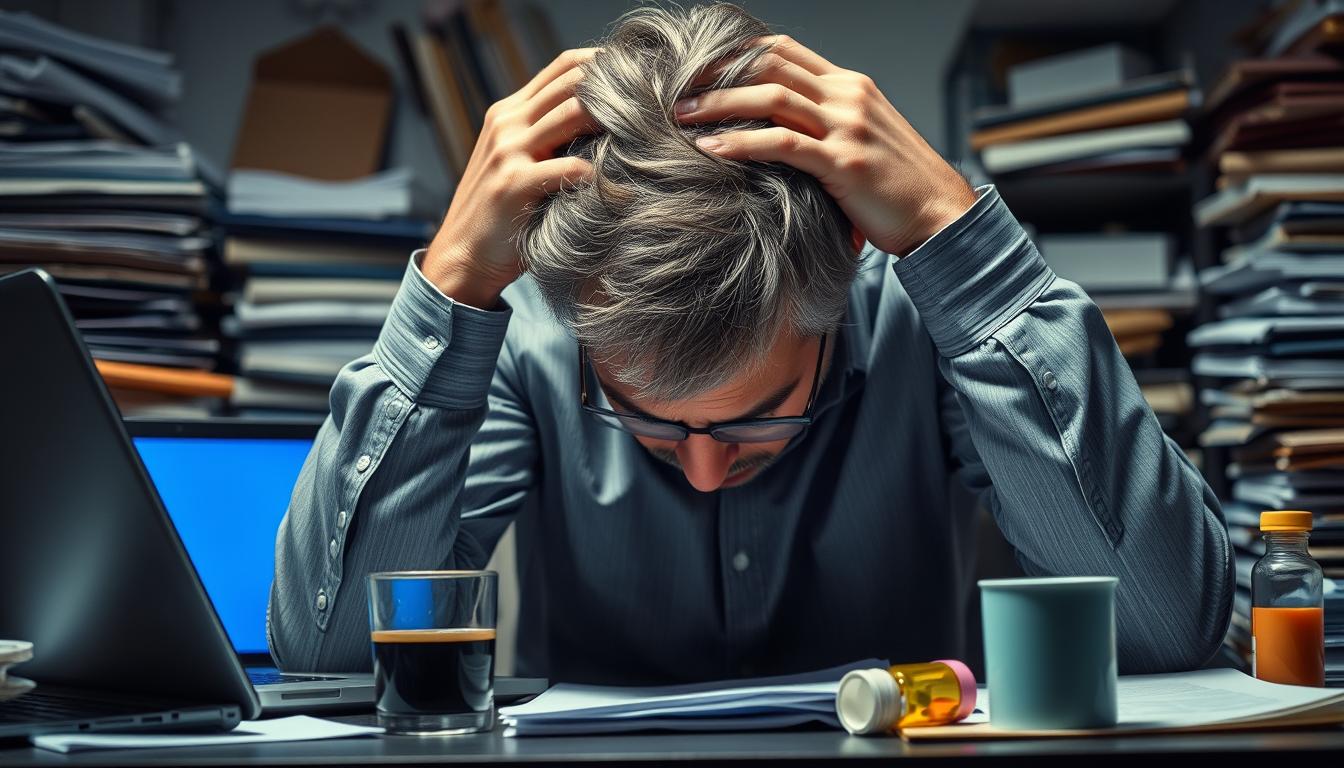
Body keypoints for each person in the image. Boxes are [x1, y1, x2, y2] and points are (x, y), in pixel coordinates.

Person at [269, 3, 1233, 684]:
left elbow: (1162, 627)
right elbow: (330, 662)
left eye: (759, 421)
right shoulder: (532, 336)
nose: (701, 473)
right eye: (645, 421)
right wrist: (448, 285)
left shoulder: (917, 324)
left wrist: (961, 242)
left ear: (846, 269)